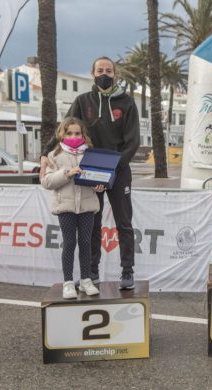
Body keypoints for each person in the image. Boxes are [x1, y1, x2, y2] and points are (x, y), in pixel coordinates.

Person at [41, 56, 140, 290]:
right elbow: (65, 127)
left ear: (115, 74)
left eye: (108, 70)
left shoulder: (127, 102)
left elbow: (132, 142)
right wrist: (45, 151)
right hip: (89, 171)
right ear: (92, 73)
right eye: (99, 70)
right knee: (93, 223)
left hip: (118, 171)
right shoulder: (82, 100)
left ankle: (127, 272)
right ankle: (91, 272)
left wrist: (113, 168)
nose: (104, 73)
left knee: (123, 223)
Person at [41, 117, 104, 299]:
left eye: (78, 133)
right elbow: (46, 181)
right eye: (70, 133)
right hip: (65, 207)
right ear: (62, 134)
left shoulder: (91, 154)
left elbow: (97, 178)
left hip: (87, 207)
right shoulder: (53, 155)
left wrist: (98, 186)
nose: (74, 136)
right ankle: (68, 283)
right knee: (69, 243)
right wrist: (67, 173)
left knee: (86, 243)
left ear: (83, 135)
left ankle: (86, 280)